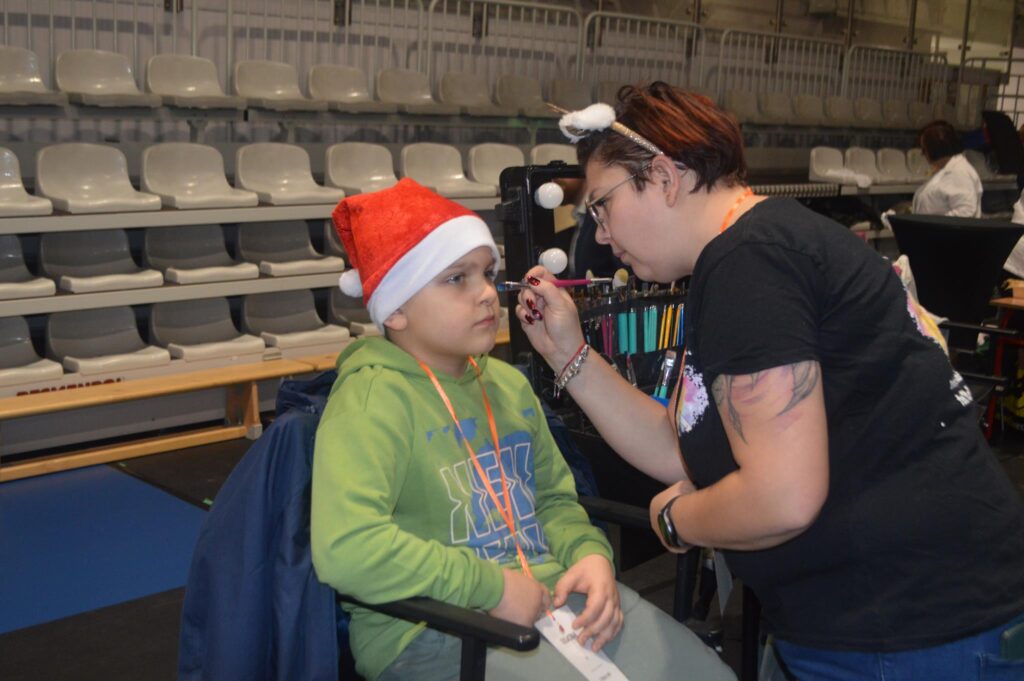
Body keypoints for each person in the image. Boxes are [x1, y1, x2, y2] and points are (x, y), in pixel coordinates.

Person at [514, 83, 1024, 680]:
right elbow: (683, 443)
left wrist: (678, 519)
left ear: (664, 177)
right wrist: (569, 354)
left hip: (913, 630)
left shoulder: (749, 264)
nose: (601, 234)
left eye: (602, 206)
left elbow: (782, 497)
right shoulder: (748, 253)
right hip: (894, 621)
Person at [310, 178, 735, 681]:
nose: (486, 294)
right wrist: (491, 589)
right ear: (396, 309)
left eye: (487, 275)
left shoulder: (507, 385)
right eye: (456, 279)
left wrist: (590, 556)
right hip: (432, 631)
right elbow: (348, 549)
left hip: (551, 595)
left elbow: (553, 501)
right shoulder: (370, 401)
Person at [912, 119, 983, 217]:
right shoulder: (949, 169)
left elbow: (966, 211)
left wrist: (934, 223)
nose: (922, 154)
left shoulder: (959, 172)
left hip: (940, 227)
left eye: (924, 149)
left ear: (935, 148)